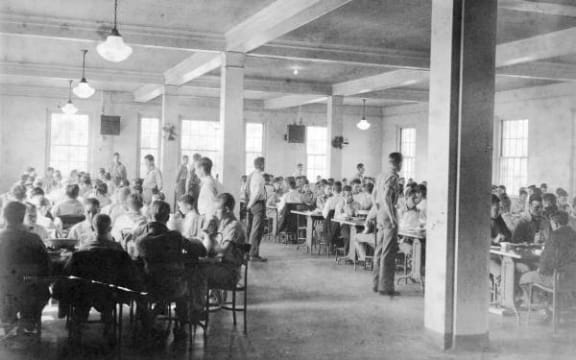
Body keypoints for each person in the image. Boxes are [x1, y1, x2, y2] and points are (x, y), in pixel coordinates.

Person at [135, 200, 206, 340]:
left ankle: (148, 321)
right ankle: (182, 326)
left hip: (149, 287)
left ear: (149, 216)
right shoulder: (174, 237)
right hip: (174, 286)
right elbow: (201, 251)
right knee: (186, 281)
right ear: (168, 218)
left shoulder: (141, 241)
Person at [0, 202, 51, 334]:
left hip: (4, 290)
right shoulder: (33, 239)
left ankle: (7, 318)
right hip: (31, 291)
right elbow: (46, 266)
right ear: (23, 217)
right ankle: (29, 319)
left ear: (4, 216)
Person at [519, 211, 576, 315]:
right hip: (572, 279)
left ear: (556, 224)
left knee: (524, 278)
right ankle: (555, 304)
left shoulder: (555, 236)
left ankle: (542, 306)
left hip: (557, 280)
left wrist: (540, 268)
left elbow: (546, 263)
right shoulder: (574, 234)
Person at [370, 152, 402, 296]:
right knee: (388, 252)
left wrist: (378, 210)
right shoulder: (393, 177)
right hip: (389, 214)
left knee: (379, 250)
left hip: (380, 214)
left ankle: (376, 284)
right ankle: (386, 287)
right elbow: (386, 197)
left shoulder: (380, 176)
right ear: (398, 163)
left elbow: (374, 195)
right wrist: (392, 217)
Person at [201, 193, 246, 289]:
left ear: (227, 210)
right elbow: (204, 239)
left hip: (230, 272)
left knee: (195, 272)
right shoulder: (222, 224)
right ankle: (200, 301)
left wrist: (208, 237)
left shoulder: (234, 226)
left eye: (217, 210)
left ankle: (197, 303)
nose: (214, 213)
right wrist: (207, 227)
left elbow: (222, 250)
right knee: (192, 268)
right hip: (220, 265)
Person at [246, 157, 268, 262]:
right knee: (257, 230)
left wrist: (249, 205)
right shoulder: (259, 177)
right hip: (257, 204)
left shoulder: (252, 175)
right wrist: (250, 205)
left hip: (253, 204)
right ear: (262, 164)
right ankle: (253, 254)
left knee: (252, 229)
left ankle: (249, 253)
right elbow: (257, 193)